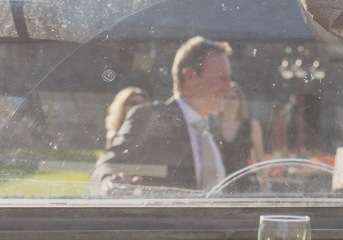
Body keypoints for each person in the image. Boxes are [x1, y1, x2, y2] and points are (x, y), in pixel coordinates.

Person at [89, 37, 234, 195]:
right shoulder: (152, 118)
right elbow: (103, 169)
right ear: (191, 76)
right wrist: (109, 184)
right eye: (222, 78)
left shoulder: (212, 126)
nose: (229, 89)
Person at [214, 82, 264, 190]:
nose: (230, 101)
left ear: (241, 101)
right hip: (217, 184)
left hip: (243, 185)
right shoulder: (211, 125)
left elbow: (259, 159)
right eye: (226, 97)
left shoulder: (251, 126)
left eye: (234, 98)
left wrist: (265, 185)